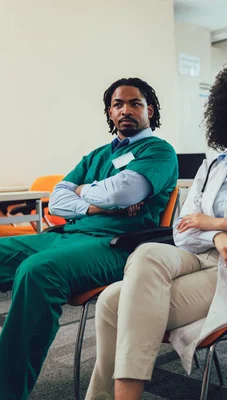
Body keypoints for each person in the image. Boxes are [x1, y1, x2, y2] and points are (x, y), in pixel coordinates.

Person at [85, 59, 227, 399]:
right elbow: (183, 229)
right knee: (144, 256)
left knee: (115, 304)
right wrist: (217, 234)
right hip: (196, 255)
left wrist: (222, 223)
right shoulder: (213, 166)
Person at [0, 77, 178, 399]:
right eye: (117, 105)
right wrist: (96, 204)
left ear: (149, 110)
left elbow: (125, 190)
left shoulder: (158, 151)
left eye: (135, 103)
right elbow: (56, 201)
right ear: (110, 113)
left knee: (38, 272)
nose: (126, 110)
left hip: (117, 245)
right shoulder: (96, 156)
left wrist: (81, 194)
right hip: (69, 234)